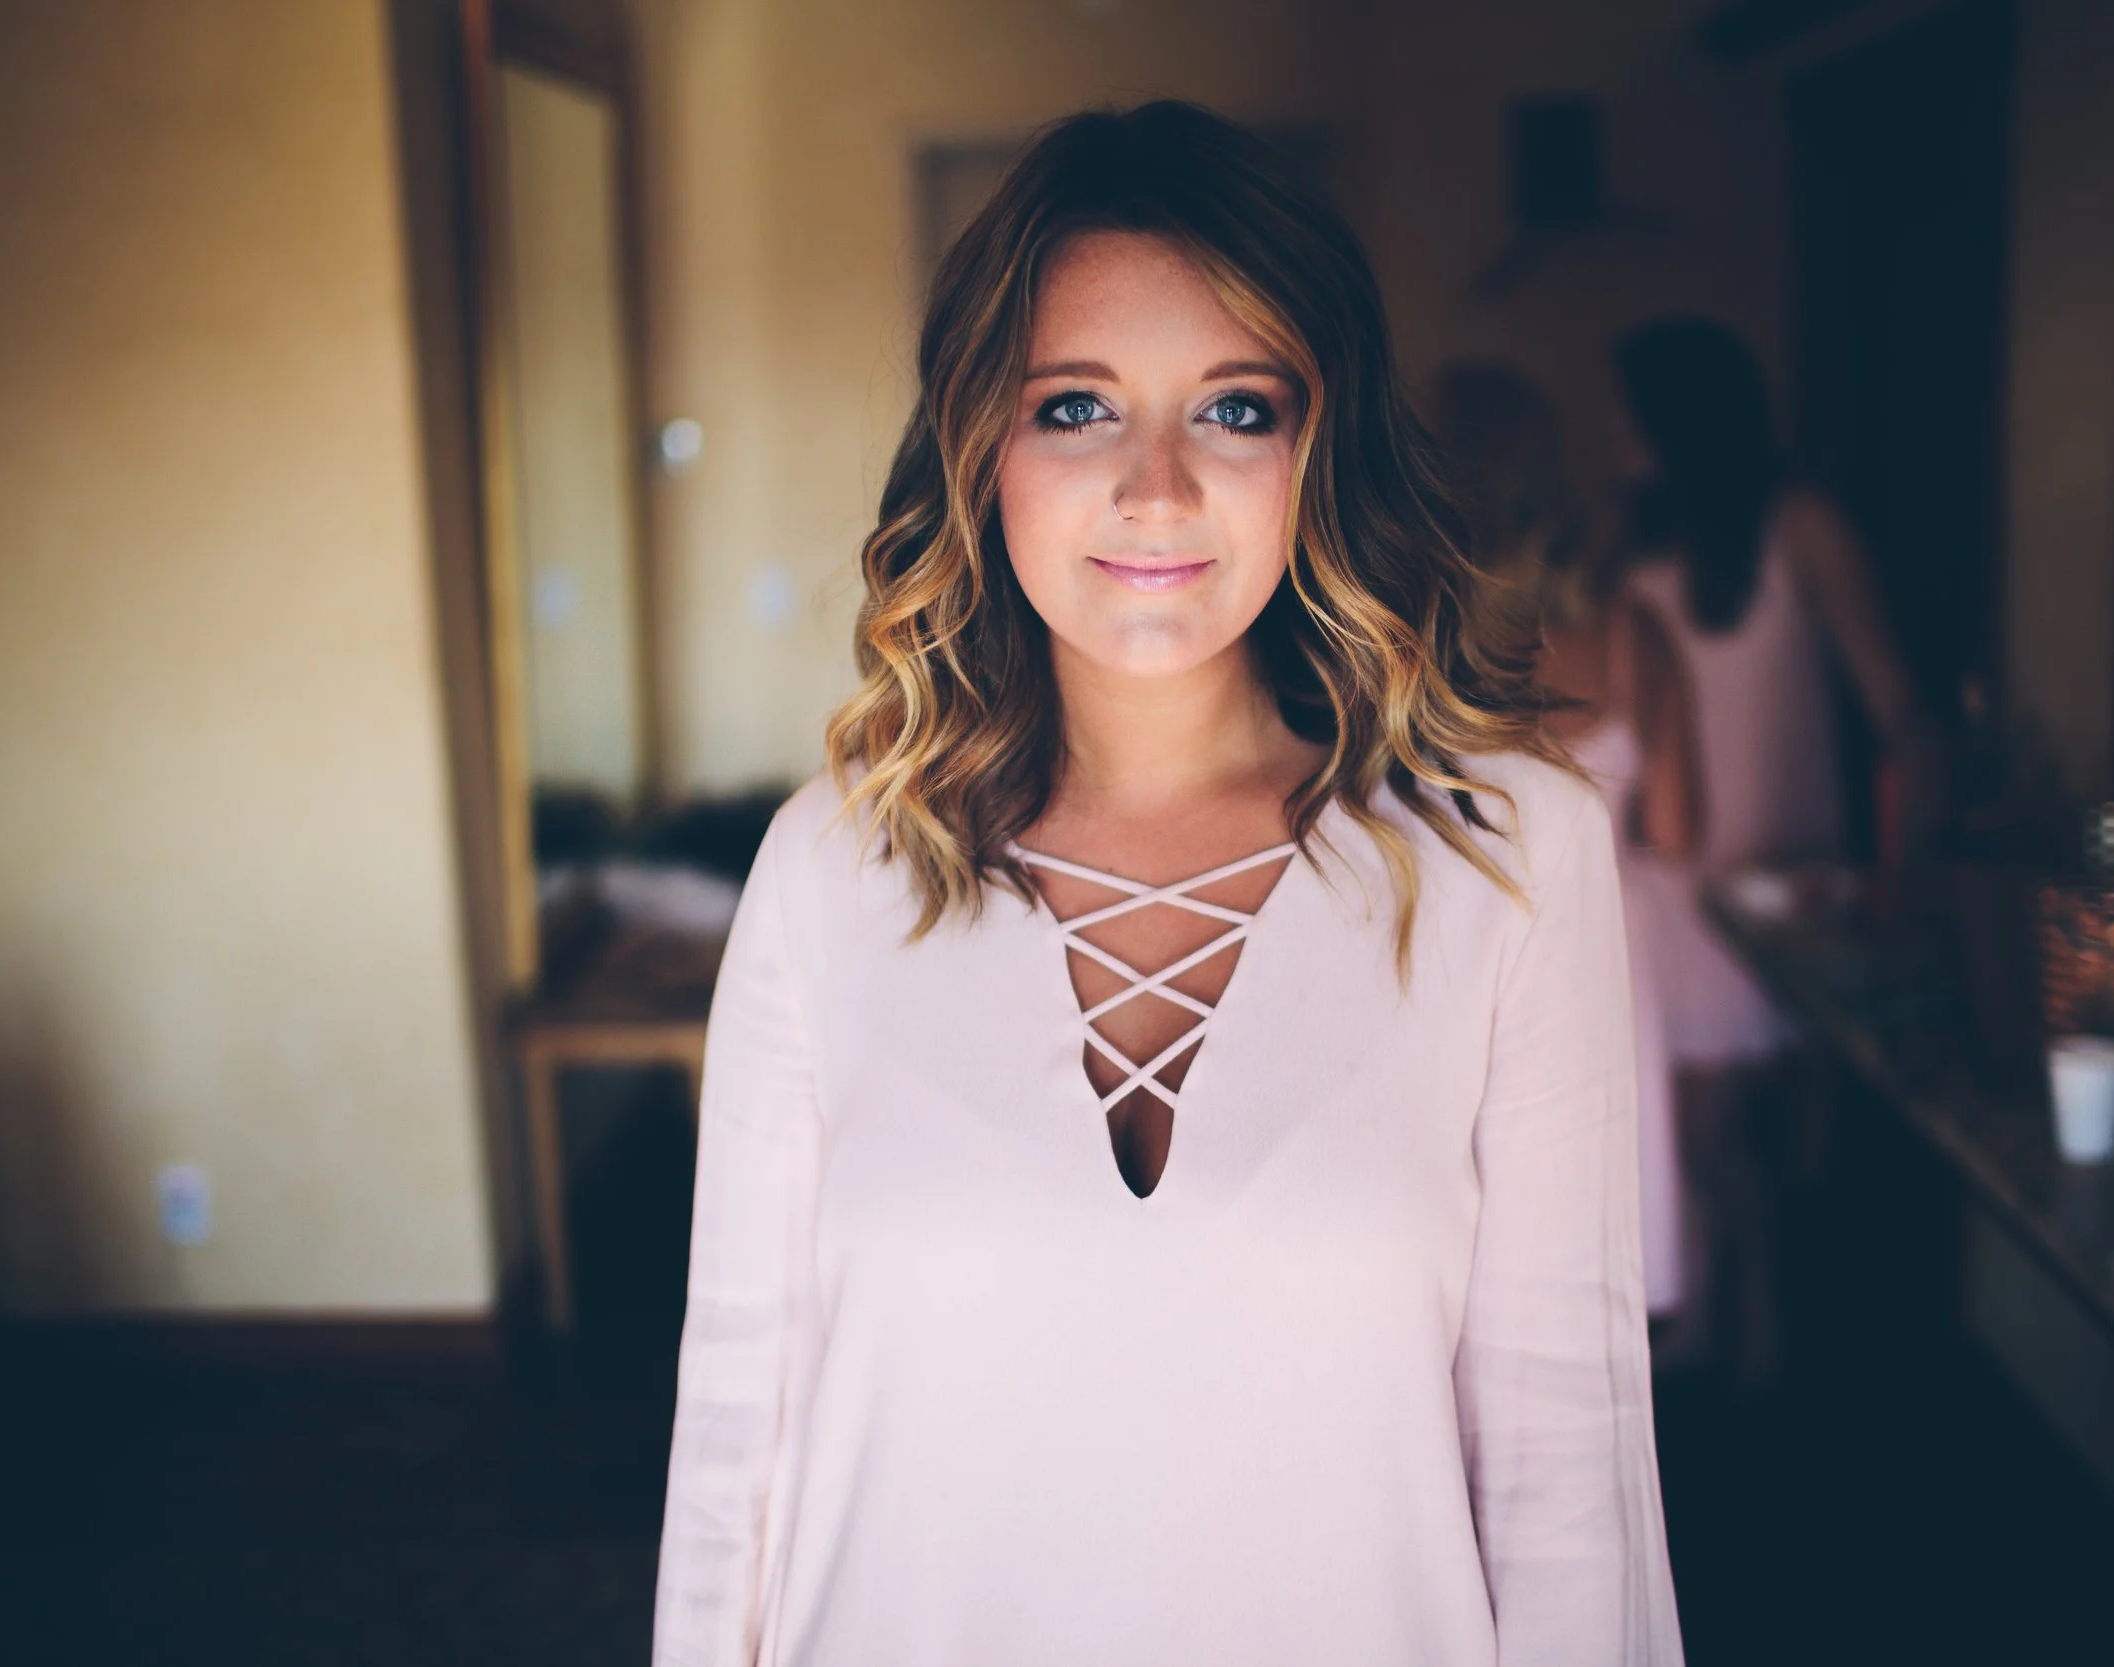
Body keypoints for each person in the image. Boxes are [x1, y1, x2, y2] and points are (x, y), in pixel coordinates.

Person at [652, 104, 1683, 1667]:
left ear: (1319, 450)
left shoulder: (1510, 856)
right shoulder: (833, 867)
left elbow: (1565, 1468)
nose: (1153, 486)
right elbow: (739, 1421)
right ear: (980, 445)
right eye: (1075, 406)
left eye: (1235, 409)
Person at [1608, 317, 1926, 1376]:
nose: (1614, 438)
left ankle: (1758, 1339)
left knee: (1732, 1144)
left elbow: (1900, 713)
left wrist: (1898, 882)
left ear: (1676, 420)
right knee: (1695, 1144)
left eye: (1630, 415)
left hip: (1784, 895)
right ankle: (1733, 1336)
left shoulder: (1801, 526)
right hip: (1670, 890)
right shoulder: (1635, 561)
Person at [1424, 360, 1701, 1325]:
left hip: (1448, 956)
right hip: (1610, 953)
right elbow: (1678, 828)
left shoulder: (1403, 644)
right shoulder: (1632, 637)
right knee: (1594, 1259)